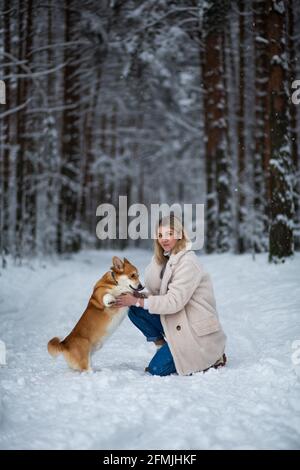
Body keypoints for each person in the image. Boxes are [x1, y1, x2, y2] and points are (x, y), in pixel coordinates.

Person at [115, 215, 227, 376]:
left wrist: (138, 300)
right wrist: (134, 297)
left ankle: (215, 356)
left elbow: (174, 302)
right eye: (160, 235)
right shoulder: (164, 259)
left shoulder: (188, 262)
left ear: (179, 234)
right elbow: (156, 294)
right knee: (133, 308)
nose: (164, 239)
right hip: (176, 321)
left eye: (169, 234)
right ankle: (164, 346)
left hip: (193, 331)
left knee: (156, 370)